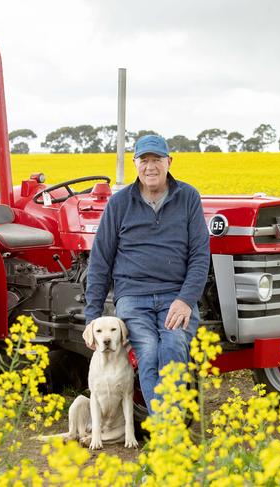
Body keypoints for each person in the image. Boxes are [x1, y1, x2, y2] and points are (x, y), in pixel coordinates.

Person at [84, 134, 210, 414]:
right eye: (144, 160)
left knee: (173, 346)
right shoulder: (119, 204)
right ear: (135, 163)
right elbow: (100, 261)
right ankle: (168, 433)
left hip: (175, 296)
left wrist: (186, 299)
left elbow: (200, 255)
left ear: (169, 162)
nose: (150, 167)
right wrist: (92, 319)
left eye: (157, 160)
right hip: (133, 297)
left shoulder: (188, 197)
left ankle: (165, 433)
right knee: (149, 352)